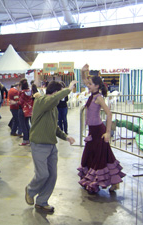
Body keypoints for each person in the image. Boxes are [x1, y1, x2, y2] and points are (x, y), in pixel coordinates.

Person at [25, 80, 77, 212]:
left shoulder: (53, 108)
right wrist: (68, 89)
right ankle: (30, 190)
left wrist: (66, 137)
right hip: (39, 145)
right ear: (54, 93)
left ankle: (42, 201)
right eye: (60, 94)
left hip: (52, 146)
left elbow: (54, 127)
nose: (62, 98)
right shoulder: (41, 101)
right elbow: (53, 99)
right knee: (42, 174)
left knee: (52, 175)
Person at [78, 64, 125, 194]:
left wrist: (108, 132)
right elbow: (85, 81)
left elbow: (109, 114)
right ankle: (113, 183)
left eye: (91, 84)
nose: (88, 85)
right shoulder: (92, 94)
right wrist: (83, 72)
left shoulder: (98, 98)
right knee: (98, 156)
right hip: (92, 131)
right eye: (89, 84)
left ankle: (110, 182)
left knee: (101, 157)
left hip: (99, 131)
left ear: (97, 86)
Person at [18, 78, 33, 146]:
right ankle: (30, 139)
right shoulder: (30, 91)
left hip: (22, 110)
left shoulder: (22, 93)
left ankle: (25, 140)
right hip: (29, 110)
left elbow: (20, 102)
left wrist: (15, 102)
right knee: (27, 125)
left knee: (23, 125)